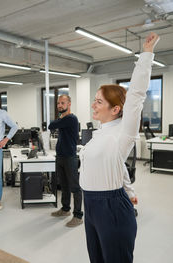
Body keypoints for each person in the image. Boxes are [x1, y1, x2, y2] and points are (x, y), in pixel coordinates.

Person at [79, 32, 160, 263]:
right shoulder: (99, 134)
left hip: (110, 209)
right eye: (94, 99)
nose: (93, 104)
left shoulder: (122, 133)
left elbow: (135, 96)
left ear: (115, 109)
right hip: (92, 206)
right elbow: (115, 165)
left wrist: (146, 54)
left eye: (99, 101)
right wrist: (130, 190)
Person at [48, 95, 83, 227]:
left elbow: (51, 125)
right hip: (61, 156)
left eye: (62, 103)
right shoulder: (64, 119)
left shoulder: (71, 118)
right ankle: (65, 209)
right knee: (64, 186)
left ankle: (78, 216)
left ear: (69, 104)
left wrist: (59, 119)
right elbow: (54, 126)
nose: (59, 105)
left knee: (75, 187)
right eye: (58, 103)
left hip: (70, 158)